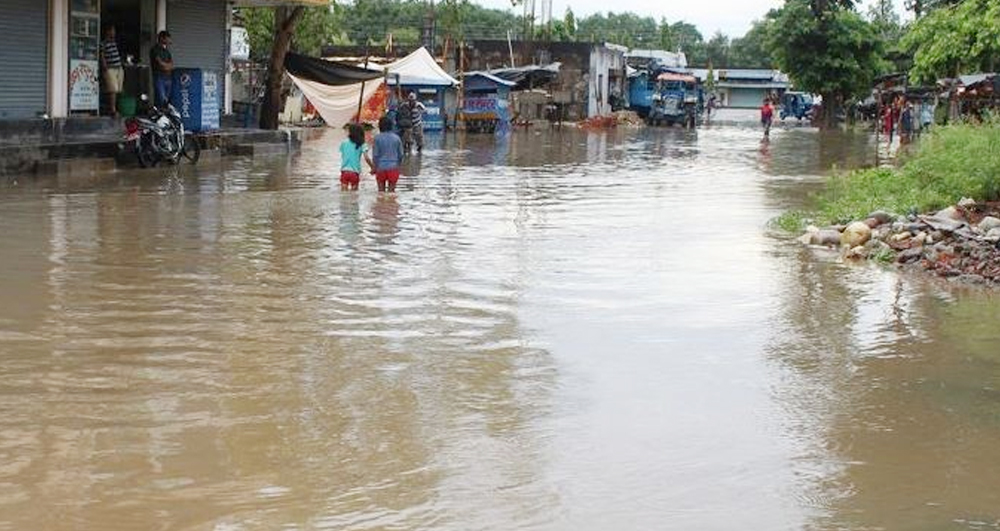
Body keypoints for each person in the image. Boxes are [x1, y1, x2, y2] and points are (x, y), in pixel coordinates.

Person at [372, 115, 404, 192]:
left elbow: (375, 155)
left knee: (381, 192)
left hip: (381, 168)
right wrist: (398, 165)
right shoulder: (397, 138)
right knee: (391, 193)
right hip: (393, 167)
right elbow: (401, 155)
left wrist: (375, 167)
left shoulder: (377, 138)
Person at [339, 123, 374, 191]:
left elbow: (343, 155)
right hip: (355, 172)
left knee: (343, 194)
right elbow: (366, 157)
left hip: (344, 171)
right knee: (354, 195)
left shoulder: (344, 142)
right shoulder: (362, 143)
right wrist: (372, 167)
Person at [100, 25, 124, 117]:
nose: (114, 33)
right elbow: (102, 55)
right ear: (108, 31)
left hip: (118, 68)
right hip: (110, 68)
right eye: (112, 30)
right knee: (112, 89)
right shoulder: (103, 43)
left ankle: (115, 108)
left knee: (118, 89)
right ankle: (112, 110)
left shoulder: (114, 43)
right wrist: (105, 66)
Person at [149, 30, 174, 107]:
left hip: (168, 78)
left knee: (167, 100)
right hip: (159, 77)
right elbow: (160, 63)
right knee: (161, 99)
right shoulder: (154, 50)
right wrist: (166, 66)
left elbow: (171, 64)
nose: (169, 40)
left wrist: (166, 66)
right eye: (167, 38)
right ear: (162, 38)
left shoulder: (167, 51)